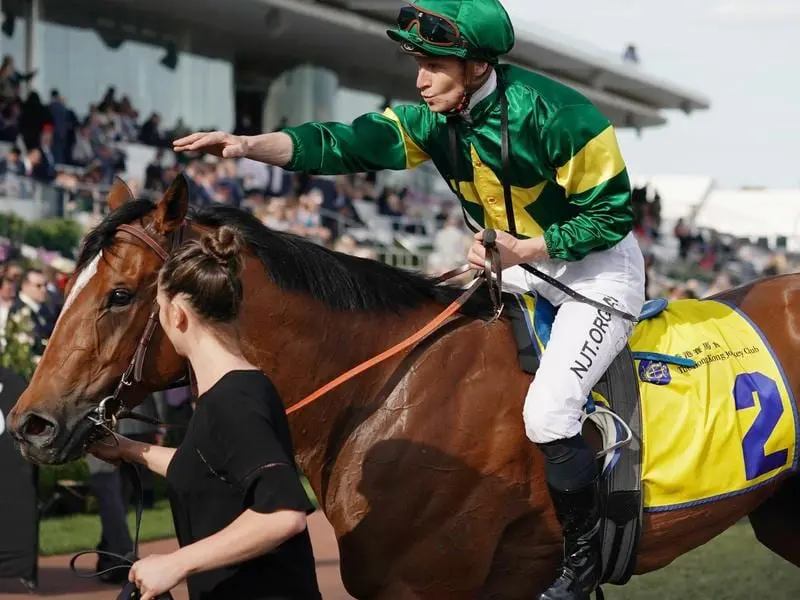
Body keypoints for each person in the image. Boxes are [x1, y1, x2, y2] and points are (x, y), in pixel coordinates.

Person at [172, 1, 646, 598]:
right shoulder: (433, 119)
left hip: (595, 274)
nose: (420, 79)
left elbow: (611, 216)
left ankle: (581, 566)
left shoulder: (561, 115)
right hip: (516, 268)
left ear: (475, 67)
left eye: (433, 65)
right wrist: (247, 144)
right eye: (417, 63)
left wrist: (527, 249)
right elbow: (348, 143)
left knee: (549, 412)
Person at [89, 226, 321, 600]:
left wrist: (176, 563)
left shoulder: (234, 401)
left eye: (159, 308)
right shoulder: (239, 388)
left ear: (177, 315)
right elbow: (211, 472)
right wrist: (128, 449)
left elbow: (283, 513)